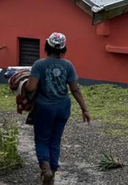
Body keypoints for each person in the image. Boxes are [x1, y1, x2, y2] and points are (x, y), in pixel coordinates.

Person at [25, 32, 91, 185]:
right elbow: (75, 89)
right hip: (63, 107)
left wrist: (27, 95)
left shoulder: (39, 65)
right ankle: (52, 174)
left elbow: (30, 88)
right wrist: (85, 109)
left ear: (46, 46)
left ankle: (46, 170)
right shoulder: (68, 65)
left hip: (44, 108)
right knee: (55, 140)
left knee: (42, 140)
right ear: (63, 49)